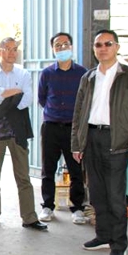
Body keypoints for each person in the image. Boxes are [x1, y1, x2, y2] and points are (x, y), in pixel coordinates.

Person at [71, 29, 128, 255]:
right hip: (92, 137)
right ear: (94, 49)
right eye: (98, 45)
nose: (103, 48)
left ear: (117, 47)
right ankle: (103, 236)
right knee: (97, 193)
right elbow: (79, 112)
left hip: (117, 141)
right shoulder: (89, 78)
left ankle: (118, 243)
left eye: (108, 44)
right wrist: (77, 143)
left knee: (115, 195)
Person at [0, 37, 47, 231]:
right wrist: (14, 92)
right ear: (0, 51)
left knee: (23, 176)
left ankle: (29, 217)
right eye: (8, 49)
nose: (12, 53)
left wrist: (3, 96)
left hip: (18, 129)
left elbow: (27, 99)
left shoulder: (23, 73)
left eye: (14, 49)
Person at [37, 32, 88, 225]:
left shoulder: (82, 73)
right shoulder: (47, 73)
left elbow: (86, 100)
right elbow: (42, 99)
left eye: (65, 44)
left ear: (71, 47)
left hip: (73, 129)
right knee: (48, 169)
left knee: (76, 170)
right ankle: (47, 206)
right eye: (57, 45)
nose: (62, 48)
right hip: (51, 127)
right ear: (53, 50)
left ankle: (77, 208)